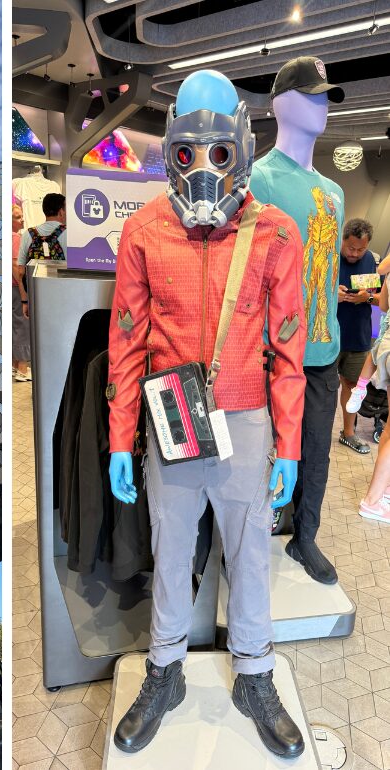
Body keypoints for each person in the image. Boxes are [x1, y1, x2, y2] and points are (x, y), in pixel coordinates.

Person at [108, 69, 306, 759]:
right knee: (169, 556)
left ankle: (253, 674)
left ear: (241, 147)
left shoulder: (276, 233)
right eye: (187, 153)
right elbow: (126, 343)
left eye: (217, 154)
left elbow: (288, 349)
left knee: (249, 555)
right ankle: (163, 673)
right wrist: (116, 439)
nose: (201, 170)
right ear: (169, 148)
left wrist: (288, 446)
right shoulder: (142, 230)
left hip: (246, 420)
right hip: (172, 422)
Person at [248, 56, 347, 585]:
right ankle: (252, 538)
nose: (322, 105)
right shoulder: (257, 181)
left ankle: (304, 538)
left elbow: (327, 276)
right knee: (260, 455)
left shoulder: (334, 192)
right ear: (281, 103)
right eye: (311, 94)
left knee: (315, 455)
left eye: (325, 96)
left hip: (323, 353)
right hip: (270, 353)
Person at [334, 219, 380, 454]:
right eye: (351, 248)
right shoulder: (330, 254)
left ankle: (349, 433)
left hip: (358, 335)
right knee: (321, 388)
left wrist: (366, 298)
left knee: (352, 386)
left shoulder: (371, 259)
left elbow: (374, 293)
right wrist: (334, 295)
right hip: (329, 335)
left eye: (360, 249)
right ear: (343, 240)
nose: (355, 253)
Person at [16, 193, 68, 270]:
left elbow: (21, 269)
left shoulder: (28, 234)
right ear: (61, 211)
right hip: (61, 281)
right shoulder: (70, 233)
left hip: (35, 281)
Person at [12, 204, 32, 382]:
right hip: (16, 288)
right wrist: (24, 293)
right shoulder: (16, 239)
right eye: (18, 217)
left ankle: (15, 364)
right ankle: (23, 369)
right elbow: (16, 268)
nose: (22, 220)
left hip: (11, 288)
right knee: (22, 325)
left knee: (14, 325)